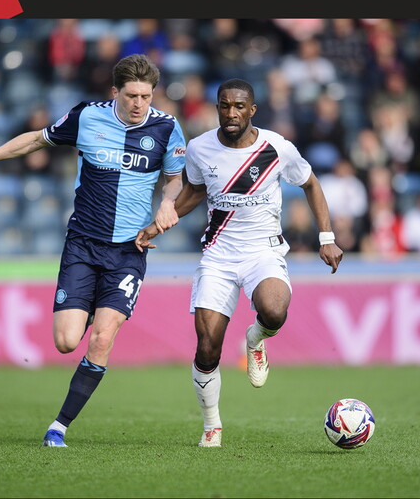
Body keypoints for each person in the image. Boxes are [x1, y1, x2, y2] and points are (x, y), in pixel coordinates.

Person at [0, 54, 186, 447]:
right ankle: (90, 303)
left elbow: (175, 178)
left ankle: (58, 426)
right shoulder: (88, 116)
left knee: (102, 340)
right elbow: (36, 139)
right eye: (131, 95)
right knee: (66, 342)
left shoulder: (167, 128)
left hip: (129, 251)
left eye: (145, 95)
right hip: (83, 245)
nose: (139, 103)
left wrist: (167, 202)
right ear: (115, 92)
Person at [135, 78, 343, 447]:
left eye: (238, 107)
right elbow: (195, 192)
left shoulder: (276, 147)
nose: (231, 113)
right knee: (207, 346)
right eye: (224, 106)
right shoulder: (199, 149)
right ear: (217, 107)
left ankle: (255, 339)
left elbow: (310, 183)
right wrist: (157, 225)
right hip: (218, 256)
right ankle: (212, 425)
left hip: (263, 251)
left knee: (275, 311)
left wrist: (326, 238)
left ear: (252, 110)